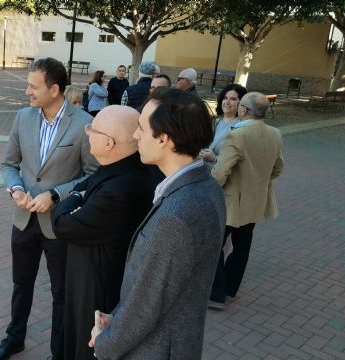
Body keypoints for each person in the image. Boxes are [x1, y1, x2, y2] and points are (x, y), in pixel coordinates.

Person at [88, 88, 226, 359]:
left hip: (156, 350)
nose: (136, 135)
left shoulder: (177, 216)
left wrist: (104, 342)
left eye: (141, 127)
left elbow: (148, 305)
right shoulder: (205, 186)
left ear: (163, 139)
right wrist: (116, 318)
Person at [0, 57, 98, 360]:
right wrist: (16, 188)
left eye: (33, 86)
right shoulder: (23, 117)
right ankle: (14, 338)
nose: (27, 92)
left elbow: (92, 176)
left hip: (59, 224)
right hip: (22, 219)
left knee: (61, 294)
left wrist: (56, 195)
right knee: (21, 284)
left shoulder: (84, 123)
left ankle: (59, 351)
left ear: (54, 89)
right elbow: (9, 164)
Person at [51, 105, 154, 360]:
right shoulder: (121, 167)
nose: (87, 134)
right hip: (94, 271)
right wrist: (79, 195)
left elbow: (62, 223)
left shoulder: (117, 190)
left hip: (96, 284)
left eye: (91, 129)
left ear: (108, 143)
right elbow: (84, 186)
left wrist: (74, 197)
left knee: (85, 344)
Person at [208, 92, 284, 309]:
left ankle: (216, 295)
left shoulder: (237, 135)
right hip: (256, 200)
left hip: (230, 202)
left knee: (214, 246)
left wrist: (209, 192)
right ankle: (230, 289)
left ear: (243, 110)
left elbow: (220, 172)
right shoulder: (274, 133)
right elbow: (278, 168)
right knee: (242, 248)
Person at [200, 84, 248, 165]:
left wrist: (215, 159)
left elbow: (242, 162)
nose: (227, 102)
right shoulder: (214, 122)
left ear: (242, 103)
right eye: (225, 98)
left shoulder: (242, 127)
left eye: (233, 99)